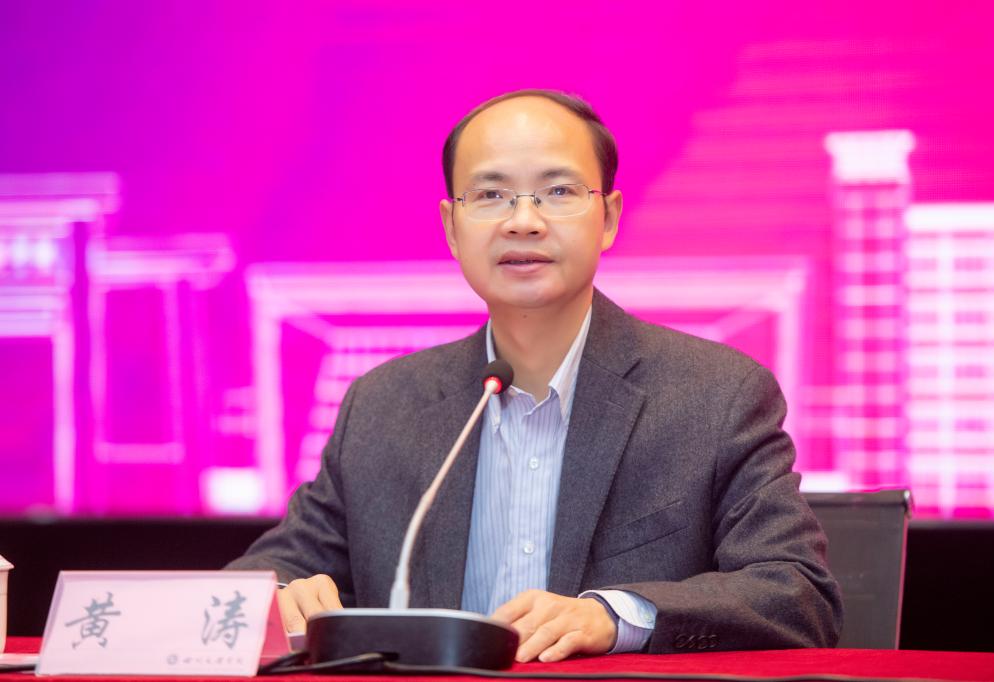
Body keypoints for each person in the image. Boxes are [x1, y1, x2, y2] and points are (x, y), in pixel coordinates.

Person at [226, 89, 843, 662]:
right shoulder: (385, 405)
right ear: (451, 227)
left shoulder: (714, 395)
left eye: (558, 191)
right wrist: (281, 596)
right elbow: (260, 577)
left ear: (608, 217)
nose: (523, 221)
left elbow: (796, 595)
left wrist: (613, 617)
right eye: (491, 195)